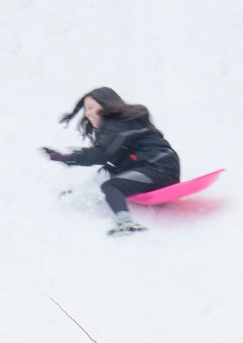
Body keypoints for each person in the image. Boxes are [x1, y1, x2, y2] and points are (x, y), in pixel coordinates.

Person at [42, 87, 180, 235]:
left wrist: (68, 158)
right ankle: (74, 194)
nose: (87, 113)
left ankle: (126, 223)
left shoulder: (118, 124)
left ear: (105, 105)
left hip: (158, 168)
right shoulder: (119, 125)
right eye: (86, 109)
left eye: (91, 107)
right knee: (108, 170)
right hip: (150, 166)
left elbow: (101, 154)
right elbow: (108, 156)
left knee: (110, 186)